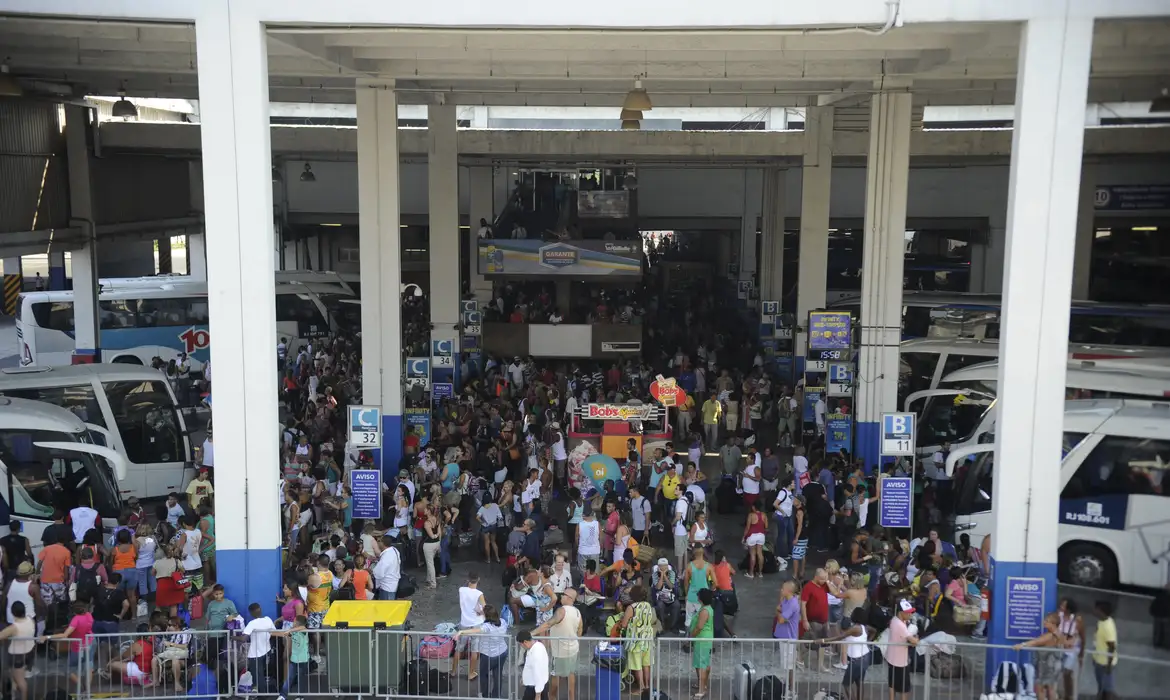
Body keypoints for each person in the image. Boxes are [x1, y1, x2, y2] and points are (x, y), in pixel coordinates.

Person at [533, 588, 582, 700]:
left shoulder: (561, 611)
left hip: (560, 651)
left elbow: (548, 624)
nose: (561, 597)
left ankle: (552, 698)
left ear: (569, 598)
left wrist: (531, 633)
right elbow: (580, 630)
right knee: (570, 674)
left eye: (563, 595)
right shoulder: (577, 612)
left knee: (555, 677)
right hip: (573, 649)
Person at [454, 604, 510, 699]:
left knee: (484, 675)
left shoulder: (486, 627)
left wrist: (461, 632)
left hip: (488, 654)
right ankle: (496, 696)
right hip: (502, 652)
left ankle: (485, 695)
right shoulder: (503, 622)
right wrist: (482, 612)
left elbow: (474, 630)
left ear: (486, 616)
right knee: (498, 675)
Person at [40, 601, 96, 696]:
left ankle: (80, 684)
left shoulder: (76, 619)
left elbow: (65, 635)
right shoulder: (89, 615)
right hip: (90, 642)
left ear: (73, 612)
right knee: (89, 665)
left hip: (78, 647)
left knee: (69, 669)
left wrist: (47, 637)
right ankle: (88, 689)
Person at [818, 608, 874, 700]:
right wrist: (868, 641)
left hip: (857, 660)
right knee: (859, 683)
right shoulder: (865, 627)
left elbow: (840, 637)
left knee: (846, 684)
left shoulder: (855, 628)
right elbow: (874, 631)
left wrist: (823, 640)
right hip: (865, 657)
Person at [1013, 612, 1067, 700]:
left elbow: (1036, 642)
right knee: (1051, 688)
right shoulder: (1060, 635)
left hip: (1047, 665)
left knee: (1041, 688)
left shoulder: (1050, 636)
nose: (1044, 622)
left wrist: (1021, 645)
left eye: (1047, 621)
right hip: (1055, 665)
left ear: (1053, 624)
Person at [616, 584, 656, 694]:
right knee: (646, 664)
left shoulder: (631, 607)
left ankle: (641, 688)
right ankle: (647, 687)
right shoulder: (648, 605)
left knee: (637, 665)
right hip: (647, 639)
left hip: (635, 640)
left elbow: (624, 624)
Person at [238, 602, 277, 695]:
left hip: (254, 653)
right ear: (260, 609)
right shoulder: (268, 619)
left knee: (257, 674)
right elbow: (273, 632)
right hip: (265, 650)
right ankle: (261, 691)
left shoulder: (252, 623)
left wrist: (233, 637)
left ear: (251, 613)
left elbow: (243, 638)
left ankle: (262, 694)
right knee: (260, 674)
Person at [452, 573, 486, 680]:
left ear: (468, 580)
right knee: (474, 650)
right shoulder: (479, 594)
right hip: (476, 623)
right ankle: (471, 673)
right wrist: (480, 612)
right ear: (478, 579)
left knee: (459, 648)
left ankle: (453, 671)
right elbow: (485, 608)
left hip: (464, 623)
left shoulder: (461, 590)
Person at [0, 600, 35, 700]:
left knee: (20, 681)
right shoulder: (30, 620)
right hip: (28, 652)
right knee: (14, 675)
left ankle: (22, 697)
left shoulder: (14, 627)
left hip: (17, 656)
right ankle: (14, 691)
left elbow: (1, 635)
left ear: (13, 612)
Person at [886, 599, 920, 700]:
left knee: (892, 684)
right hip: (900, 662)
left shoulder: (894, 620)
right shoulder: (901, 625)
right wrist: (916, 639)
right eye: (908, 613)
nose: (910, 615)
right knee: (904, 689)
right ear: (901, 613)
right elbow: (914, 641)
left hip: (892, 658)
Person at [801, 568, 833, 672]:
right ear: (816, 577)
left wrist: (828, 580)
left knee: (823, 644)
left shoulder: (824, 585)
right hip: (813, 621)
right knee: (810, 643)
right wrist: (805, 620)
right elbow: (803, 604)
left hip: (824, 620)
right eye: (823, 578)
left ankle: (820, 665)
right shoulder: (808, 587)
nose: (824, 580)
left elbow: (834, 592)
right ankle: (798, 658)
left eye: (825, 578)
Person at [1058, 597, 1086, 700]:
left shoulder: (1077, 620)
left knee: (1067, 673)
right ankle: (1060, 694)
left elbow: (1083, 638)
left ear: (1069, 609)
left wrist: (1081, 655)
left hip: (1071, 651)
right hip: (1060, 648)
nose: (1060, 607)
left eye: (1063, 606)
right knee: (1058, 673)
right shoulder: (1058, 616)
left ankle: (1068, 696)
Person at [689, 588, 715, 699]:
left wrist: (691, 637)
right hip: (704, 639)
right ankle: (702, 685)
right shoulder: (707, 608)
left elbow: (699, 627)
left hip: (701, 640)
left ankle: (701, 690)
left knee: (701, 666)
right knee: (704, 663)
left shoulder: (704, 611)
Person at [1092, 600, 1118, 700]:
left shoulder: (1108, 627)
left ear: (1101, 611)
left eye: (1096, 609)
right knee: (1101, 686)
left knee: (1108, 689)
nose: (1094, 611)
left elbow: (1112, 647)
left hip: (1105, 663)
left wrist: (1109, 665)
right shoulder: (1101, 621)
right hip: (1098, 660)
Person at [518, 629, 550, 700]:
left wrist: (538, 695)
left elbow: (538, 673)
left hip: (535, 688)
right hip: (539, 685)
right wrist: (524, 677)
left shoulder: (535, 654)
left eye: (521, 645)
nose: (522, 647)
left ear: (525, 642)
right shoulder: (539, 645)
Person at [742, 500, 768, 578]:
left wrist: (744, 537)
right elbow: (766, 527)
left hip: (752, 536)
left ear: (753, 507)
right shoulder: (764, 515)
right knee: (760, 554)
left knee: (752, 554)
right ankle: (760, 573)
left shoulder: (751, 515)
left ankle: (751, 573)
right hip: (761, 536)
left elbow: (747, 528)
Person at [373, 535, 402, 600]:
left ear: (383, 543)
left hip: (386, 585)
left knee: (386, 607)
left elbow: (379, 573)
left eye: (379, 541)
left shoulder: (386, 556)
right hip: (393, 582)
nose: (377, 543)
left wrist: (372, 571)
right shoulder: (394, 550)